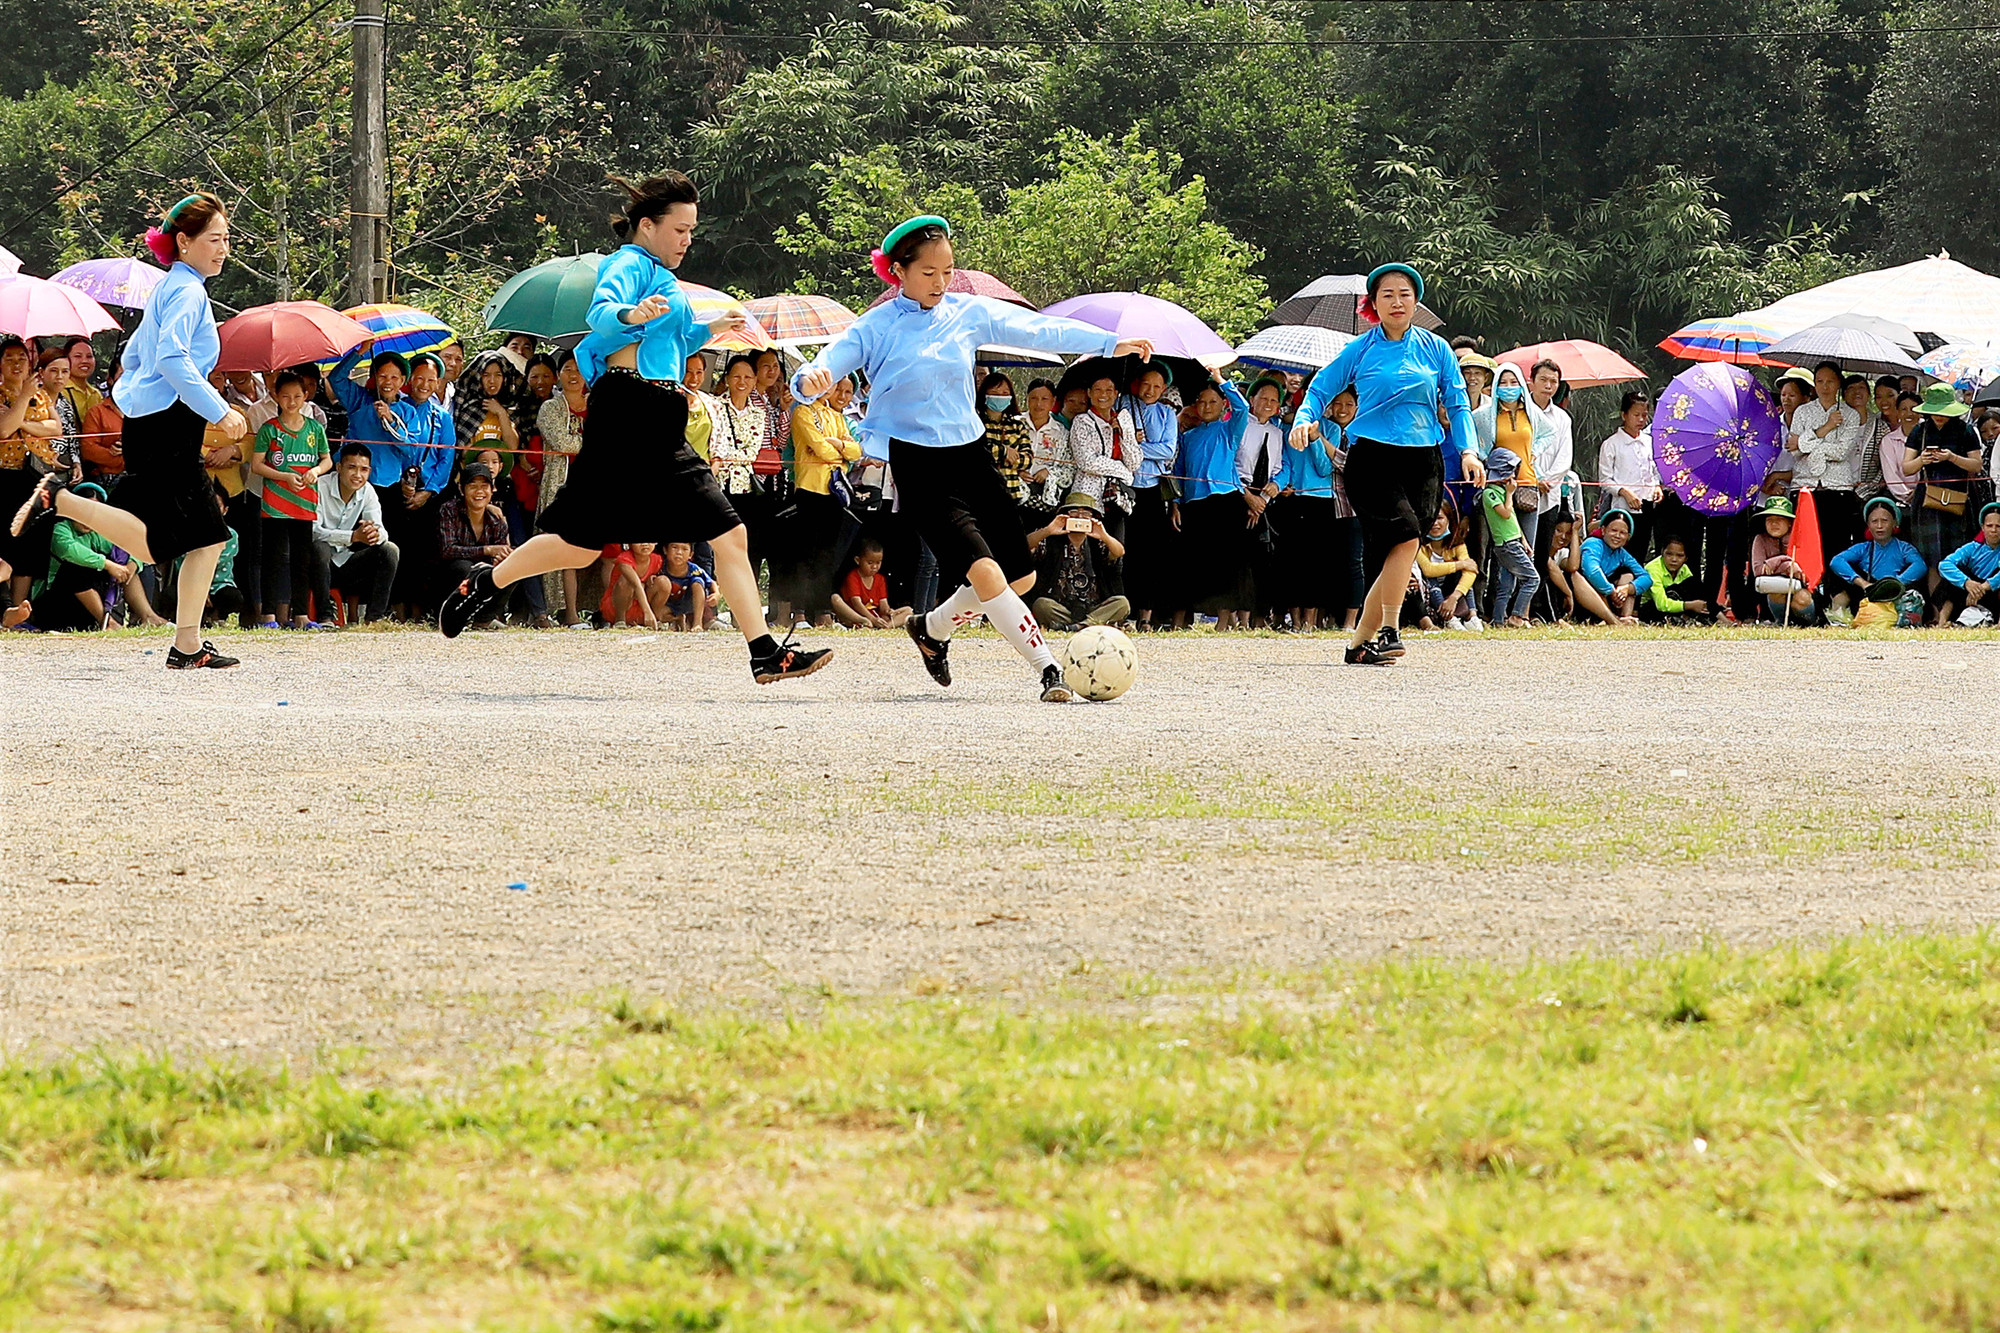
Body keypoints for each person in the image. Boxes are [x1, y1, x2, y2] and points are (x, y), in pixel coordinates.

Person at [440, 172, 830, 683]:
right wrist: (631, 310)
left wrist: (713, 328)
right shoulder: (627, 263)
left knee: (583, 543)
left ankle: (485, 583)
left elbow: (677, 335)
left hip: (658, 413)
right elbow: (603, 315)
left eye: (692, 231)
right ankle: (763, 652)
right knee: (724, 532)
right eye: (680, 230)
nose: (688, 240)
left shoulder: (665, 278)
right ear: (647, 225)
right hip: (629, 412)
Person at [791, 214, 1145, 701]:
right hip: (918, 464)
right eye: (928, 272)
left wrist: (1107, 344)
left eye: (947, 271)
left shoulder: (967, 312)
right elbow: (830, 359)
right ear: (898, 271)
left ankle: (932, 629)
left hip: (971, 456)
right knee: (985, 572)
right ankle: (1048, 671)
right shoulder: (876, 326)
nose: (940, 282)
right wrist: (810, 378)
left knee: (1020, 578)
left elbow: (1037, 329)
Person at [11, 193, 248, 667]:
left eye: (226, 239)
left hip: (156, 422)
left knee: (172, 540)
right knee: (197, 538)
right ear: (184, 241)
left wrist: (134, 399)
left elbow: (136, 358)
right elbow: (171, 359)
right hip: (171, 423)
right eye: (215, 239)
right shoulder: (187, 291)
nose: (224, 248)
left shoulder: (168, 286)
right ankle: (59, 500)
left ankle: (186, 646)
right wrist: (219, 409)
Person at [1292, 263, 1482, 665]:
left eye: (1404, 294)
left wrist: (1468, 450)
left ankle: (1358, 645)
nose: (1397, 301)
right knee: (1407, 535)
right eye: (1387, 295)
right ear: (1373, 304)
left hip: (1425, 460)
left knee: (1406, 546)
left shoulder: (1437, 348)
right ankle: (1392, 630)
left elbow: (1457, 402)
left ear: (1416, 301)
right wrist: (1304, 418)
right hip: (1373, 457)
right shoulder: (1359, 349)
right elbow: (1321, 387)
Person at [249, 370, 333, 628]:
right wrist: (283, 476)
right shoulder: (269, 430)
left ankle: (301, 615)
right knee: (273, 558)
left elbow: (327, 460)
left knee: (302, 559)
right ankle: (269, 615)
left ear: (306, 396)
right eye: (286, 396)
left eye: (297, 396)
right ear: (275, 396)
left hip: (304, 503)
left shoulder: (315, 428)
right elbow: (256, 465)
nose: (292, 401)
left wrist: (315, 471)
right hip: (275, 503)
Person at [1169, 371, 1254, 626]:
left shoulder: (1229, 430)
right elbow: (1180, 472)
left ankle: (1224, 619)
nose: (1206, 407)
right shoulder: (1187, 437)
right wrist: (1175, 503)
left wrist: (1220, 380)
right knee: (1195, 562)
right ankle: (1184, 619)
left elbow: (1243, 407)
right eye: (1202, 402)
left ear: (1222, 406)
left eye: (1213, 402)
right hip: (1194, 505)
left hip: (1225, 502)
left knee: (1226, 562)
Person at [785, 372, 864, 626]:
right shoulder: (802, 412)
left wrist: (839, 447)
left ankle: (823, 611)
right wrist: (839, 448)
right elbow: (820, 448)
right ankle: (799, 611)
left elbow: (857, 450)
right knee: (804, 551)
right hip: (809, 488)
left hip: (833, 491)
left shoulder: (837, 416)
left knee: (827, 555)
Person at [0, 335, 64, 625]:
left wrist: (23, 423)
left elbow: (55, 428)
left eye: (21, 358)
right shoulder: (4, 394)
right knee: (6, 545)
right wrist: (22, 400)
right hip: (6, 476)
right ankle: (5, 610)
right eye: (9, 358)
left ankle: (18, 610)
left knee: (29, 547)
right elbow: (3, 429)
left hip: (36, 475)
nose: (16, 364)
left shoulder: (42, 395)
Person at [1903, 384, 1984, 587]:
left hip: (1961, 497)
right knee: (1933, 558)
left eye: (1943, 412)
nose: (1939, 417)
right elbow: (1906, 468)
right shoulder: (1919, 431)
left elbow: (1976, 465)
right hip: (1928, 499)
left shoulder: (1966, 431)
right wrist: (1923, 459)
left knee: (1960, 554)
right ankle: (1937, 612)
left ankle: (1958, 608)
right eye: (1934, 412)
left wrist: (1952, 457)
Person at [310, 442, 399, 624]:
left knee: (390, 550)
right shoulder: (320, 486)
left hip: (345, 563)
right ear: (339, 467)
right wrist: (353, 537)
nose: (358, 475)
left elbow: (382, 531)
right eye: (352, 468)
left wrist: (373, 534)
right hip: (314, 565)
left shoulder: (368, 491)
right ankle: (325, 616)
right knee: (320, 548)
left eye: (364, 469)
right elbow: (313, 531)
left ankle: (374, 619)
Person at [1274, 377, 1337, 630]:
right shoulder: (1286, 428)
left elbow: (1324, 467)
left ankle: (1310, 620)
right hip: (1292, 498)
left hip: (1320, 501)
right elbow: (1284, 461)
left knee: (1315, 564)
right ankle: (1295, 618)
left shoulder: (1332, 429)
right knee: (1291, 562)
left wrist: (1315, 438)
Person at [1119, 362, 1180, 627]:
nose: (1150, 390)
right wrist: (1129, 441)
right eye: (1146, 384)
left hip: (1152, 491)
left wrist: (1136, 446)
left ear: (1164, 389)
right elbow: (1117, 443)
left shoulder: (1167, 414)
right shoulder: (1123, 405)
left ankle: (1146, 615)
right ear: (1137, 383)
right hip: (1126, 487)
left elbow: (1168, 451)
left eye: (1156, 386)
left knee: (1151, 554)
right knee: (1126, 550)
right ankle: (1124, 613)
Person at [1791, 360, 1865, 558]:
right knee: (1804, 547)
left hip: (1838, 487)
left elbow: (1841, 452)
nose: (1825, 387)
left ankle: (1835, 589)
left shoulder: (1850, 415)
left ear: (1839, 383)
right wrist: (1827, 427)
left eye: (1830, 381)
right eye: (1820, 381)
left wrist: (1805, 443)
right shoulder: (1802, 411)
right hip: (1805, 485)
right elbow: (1794, 451)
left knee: (1836, 546)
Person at [535, 350, 589, 624]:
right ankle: (564, 611)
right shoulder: (550, 408)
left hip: (595, 485)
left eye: (579, 369)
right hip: (560, 483)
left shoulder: (599, 405)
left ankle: (602, 610)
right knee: (561, 546)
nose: (573, 375)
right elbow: (563, 443)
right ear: (559, 375)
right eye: (567, 368)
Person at [1027, 491, 1129, 631]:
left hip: (1094, 607)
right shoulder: (1052, 540)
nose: (1080, 517)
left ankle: (1080, 626)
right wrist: (1048, 530)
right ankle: (1087, 626)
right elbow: (1024, 546)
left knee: (1122, 603)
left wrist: (1103, 535)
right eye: (1074, 512)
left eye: (1086, 513)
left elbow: (1119, 552)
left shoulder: (1097, 542)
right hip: (1060, 605)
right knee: (1041, 605)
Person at [1823, 495, 1925, 621]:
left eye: (1885, 521)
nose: (1879, 526)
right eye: (1874, 521)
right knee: (1834, 576)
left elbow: (1920, 566)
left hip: (1896, 594)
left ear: (1894, 523)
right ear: (1868, 525)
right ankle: (1839, 617)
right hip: (1868, 592)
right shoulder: (1863, 548)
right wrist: (1862, 583)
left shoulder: (1904, 548)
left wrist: (1896, 583)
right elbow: (1836, 561)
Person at [436, 461, 511, 622]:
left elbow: (501, 550)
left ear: (493, 490)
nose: (479, 491)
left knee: (513, 567)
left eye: (484, 486)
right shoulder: (449, 510)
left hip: (484, 580)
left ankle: (484, 619)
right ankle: (456, 616)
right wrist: (487, 550)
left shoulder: (496, 520)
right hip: (451, 579)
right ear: (462, 489)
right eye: (472, 486)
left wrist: (501, 557)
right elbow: (448, 550)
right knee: (464, 567)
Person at [1480, 444, 1540, 627]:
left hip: (1514, 541)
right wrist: (1510, 494)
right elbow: (1505, 513)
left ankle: (1498, 621)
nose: (1513, 476)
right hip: (1506, 544)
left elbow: (1512, 519)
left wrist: (1524, 541)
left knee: (1506, 586)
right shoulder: (1489, 493)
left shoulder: (1502, 492)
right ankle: (1517, 615)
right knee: (1532, 579)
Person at [1596, 392, 1659, 557]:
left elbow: (1654, 469)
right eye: (1636, 415)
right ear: (1624, 415)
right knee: (1621, 551)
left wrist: (1657, 486)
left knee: (1641, 549)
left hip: (1647, 505)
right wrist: (1624, 491)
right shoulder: (1611, 444)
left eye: (1644, 415)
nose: (1641, 420)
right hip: (1622, 508)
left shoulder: (1649, 441)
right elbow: (1604, 480)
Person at [1575, 509, 1651, 626]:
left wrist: (1627, 588)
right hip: (1585, 597)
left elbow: (1646, 578)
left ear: (1628, 537)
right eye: (1613, 530)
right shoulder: (1593, 543)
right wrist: (1611, 591)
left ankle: (1625, 618)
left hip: (1609, 598)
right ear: (1603, 530)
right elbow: (1592, 572)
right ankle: (1612, 619)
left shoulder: (1622, 553)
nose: (1617, 536)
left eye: (1622, 533)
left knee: (1628, 576)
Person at [1748, 496, 1816, 624]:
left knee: (1801, 598)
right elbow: (1759, 570)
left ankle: (1810, 623)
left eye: (1779, 519)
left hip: (1801, 588)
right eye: (1769, 520)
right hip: (1773, 590)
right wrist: (1786, 563)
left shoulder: (1800, 538)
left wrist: (1773, 565)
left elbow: (1805, 571)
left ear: (1789, 522)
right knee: (1776, 593)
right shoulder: (1760, 539)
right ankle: (1780, 622)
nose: (1774, 524)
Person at [1414, 498, 1477, 628]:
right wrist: (1461, 564)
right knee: (1432, 580)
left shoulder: (1457, 543)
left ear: (1448, 519)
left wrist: (1454, 597)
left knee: (1464, 576)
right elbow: (1428, 569)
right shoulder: (1418, 545)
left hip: (1450, 594)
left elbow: (1471, 571)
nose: (1435, 524)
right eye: (1431, 519)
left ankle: (1472, 616)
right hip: (1429, 595)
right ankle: (1449, 619)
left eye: (1440, 518)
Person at [1937, 502, 2000, 625]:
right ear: (1983, 528)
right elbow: (1944, 565)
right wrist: (1966, 582)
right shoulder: (1971, 548)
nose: (1993, 530)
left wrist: (1982, 587)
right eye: (1989, 525)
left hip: (1992, 593)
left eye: (1998, 526)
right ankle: (1942, 622)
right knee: (1951, 578)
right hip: (1969, 594)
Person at [830, 537, 911, 629]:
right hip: (856, 615)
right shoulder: (853, 577)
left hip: (875, 617)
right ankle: (863, 622)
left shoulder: (880, 579)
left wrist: (889, 611)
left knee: (908, 610)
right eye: (870, 563)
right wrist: (871, 619)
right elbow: (856, 603)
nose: (875, 567)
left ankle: (886, 627)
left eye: (878, 562)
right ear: (858, 560)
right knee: (835, 598)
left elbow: (883, 604)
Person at [1022, 378, 1072, 512]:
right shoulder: (1014, 425)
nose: (1038, 404)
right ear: (1027, 399)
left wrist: (1049, 473)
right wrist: (1016, 472)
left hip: (1045, 499)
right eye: (1034, 398)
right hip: (1015, 493)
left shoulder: (1062, 433)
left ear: (1053, 401)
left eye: (1044, 399)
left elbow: (1069, 469)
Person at [1639, 536, 1713, 624]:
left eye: (1680, 556)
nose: (1674, 559)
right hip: (1651, 608)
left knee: (1694, 584)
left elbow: (1694, 592)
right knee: (1673, 592)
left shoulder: (1684, 569)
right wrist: (1690, 605)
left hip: (1676, 605)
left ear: (1686, 558)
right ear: (1662, 552)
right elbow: (1661, 604)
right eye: (1669, 554)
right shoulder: (1653, 569)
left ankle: (1716, 616)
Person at [599, 539, 666, 627]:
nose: (645, 544)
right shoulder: (624, 559)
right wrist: (647, 611)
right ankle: (620, 620)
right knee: (626, 580)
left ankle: (654, 619)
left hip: (639, 605)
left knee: (664, 582)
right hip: (617, 605)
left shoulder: (657, 559)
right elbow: (636, 585)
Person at [659, 539, 718, 630]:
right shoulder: (661, 566)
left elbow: (711, 582)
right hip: (670, 604)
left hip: (688, 601)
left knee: (698, 582)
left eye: (684, 549)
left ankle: (697, 623)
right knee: (659, 613)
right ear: (665, 550)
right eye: (674, 547)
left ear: (690, 555)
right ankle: (677, 619)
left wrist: (716, 594)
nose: (679, 552)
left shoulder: (694, 569)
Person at [1541, 512, 1584, 620]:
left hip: (1559, 601)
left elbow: (1573, 566)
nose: (1563, 537)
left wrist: (1575, 532)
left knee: (1575, 576)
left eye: (1568, 533)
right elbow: (1548, 563)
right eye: (1558, 530)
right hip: (1540, 600)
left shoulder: (1561, 553)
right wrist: (1568, 593)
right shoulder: (1538, 550)